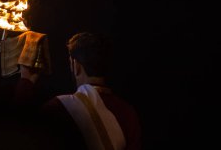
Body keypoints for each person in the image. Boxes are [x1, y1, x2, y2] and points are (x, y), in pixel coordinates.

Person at [13, 32, 142, 150]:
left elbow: (22, 136)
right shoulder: (128, 113)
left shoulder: (60, 107)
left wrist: (26, 81)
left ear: (76, 66)